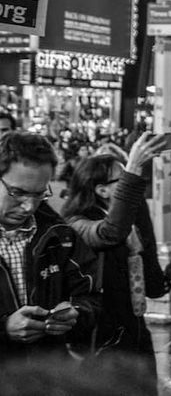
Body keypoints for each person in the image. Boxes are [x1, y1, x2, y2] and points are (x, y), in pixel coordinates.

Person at [60, 134, 170, 377]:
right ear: (101, 190)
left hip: (134, 326)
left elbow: (150, 271)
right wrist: (133, 170)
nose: (134, 182)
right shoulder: (77, 224)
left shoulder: (131, 221)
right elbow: (109, 233)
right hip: (102, 337)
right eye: (124, 177)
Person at [0, 131, 100, 363]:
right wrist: (4, 328)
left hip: (46, 372)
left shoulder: (60, 236)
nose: (28, 207)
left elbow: (92, 298)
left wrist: (75, 314)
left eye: (39, 195)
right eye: (18, 193)